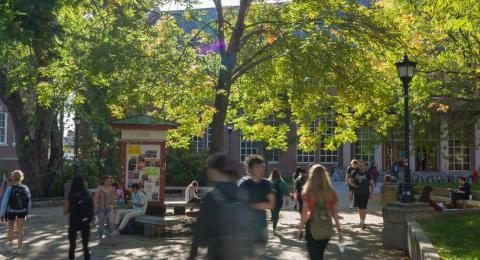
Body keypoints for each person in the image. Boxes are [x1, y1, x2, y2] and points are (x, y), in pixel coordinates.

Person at [190, 153, 254, 260]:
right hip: (239, 253)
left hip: (217, 253)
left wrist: (193, 255)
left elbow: (200, 235)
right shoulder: (243, 194)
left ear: (214, 171)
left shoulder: (211, 197)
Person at [298, 164, 343, 260]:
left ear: (311, 176)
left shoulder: (308, 192)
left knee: (315, 256)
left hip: (312, 226)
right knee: (319, 254)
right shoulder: (331, 192)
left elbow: (304, 213)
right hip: (326, 225)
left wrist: (301, 229)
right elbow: (335, 213)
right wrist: (339, 231)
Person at [238, 155, 276, 258]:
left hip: (261, 227)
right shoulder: (244, 184)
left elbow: (272, 204)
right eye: (258, 167)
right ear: (250, 169)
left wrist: (252, 206)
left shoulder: (266, 184)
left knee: (258, 255)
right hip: (246, 228)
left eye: (262, 167)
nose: (261, 169)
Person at [0, 170, 31, 254]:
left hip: (11, 211)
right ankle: (19, 248)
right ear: (21, 178)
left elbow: (4, 202)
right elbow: (28, 201)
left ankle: (10, 246)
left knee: (10, 228)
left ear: (13, 178)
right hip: (22, 211)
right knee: (20, 229)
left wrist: (2, 214)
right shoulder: (25, 188)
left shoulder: (10, 188)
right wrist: (27, 212)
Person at [64, 175, 94, 260]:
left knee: (72, 246)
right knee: (85, 246)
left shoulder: (70, 195)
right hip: (85, 221)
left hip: (73, 221)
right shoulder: (87, 194)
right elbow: (92, 207)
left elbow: (65, 211)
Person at [349, 160, 375, 229]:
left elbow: (372, 184)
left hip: (365, 193)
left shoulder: (368, 174)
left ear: (365, 166)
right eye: (359, 165)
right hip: (357, 193)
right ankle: (361, 221)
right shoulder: (355, 173)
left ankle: (363, 222)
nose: (361, 166)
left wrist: (372, 193)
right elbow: (350, 180)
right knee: (360, 208)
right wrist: (353, 185)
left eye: (362, 165)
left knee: (364, 207)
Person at [94, 175, 116, 240]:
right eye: (107, 181)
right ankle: (100, 235)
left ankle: (110, 235)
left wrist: (114, 206)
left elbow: (112, 199)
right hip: (101, 208)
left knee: (111, 222)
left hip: (109, 208)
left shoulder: (111, 188)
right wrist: (95, 207)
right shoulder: (99, 188)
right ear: (103, 181)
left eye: (109, 181)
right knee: (101, 224)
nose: (108, 182)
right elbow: (95, 199)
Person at [269, 169, 287, 233]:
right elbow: (285, 191)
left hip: (271, 200)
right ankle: (274, 228)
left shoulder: (269, 181)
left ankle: (272, 216)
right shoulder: (282, 181)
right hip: (279, 200)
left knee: (272, 211)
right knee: (276, 214)